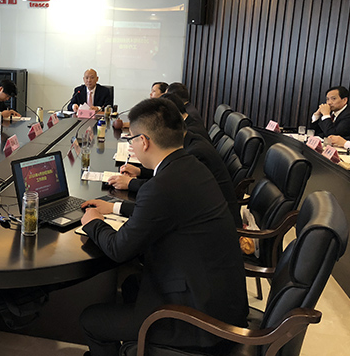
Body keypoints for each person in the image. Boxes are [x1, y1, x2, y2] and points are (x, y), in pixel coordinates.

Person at [79, 98, 248, 356]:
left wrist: (93, 223)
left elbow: (119, 249)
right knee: (132, 283)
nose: (133, 145)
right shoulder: (191, 167)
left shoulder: (163, 185)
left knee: (91, 320)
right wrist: (113, 208)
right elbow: (163, 213)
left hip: (199, 322)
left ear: (144, 142)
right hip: (219, 301)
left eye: (132, 140)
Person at [108, 94, 240, 227]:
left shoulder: (195, 154)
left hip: (216, 228)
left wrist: (130, 184)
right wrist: (140, 171)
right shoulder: (190, 140)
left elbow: (164, 193)